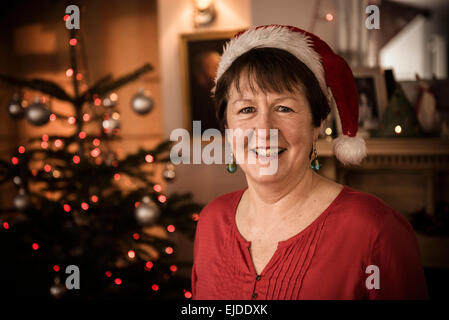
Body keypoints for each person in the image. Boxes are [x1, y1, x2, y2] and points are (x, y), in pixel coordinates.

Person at [191, 25, 428, 300]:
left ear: (317, 124)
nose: (264, 128)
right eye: (246, 109)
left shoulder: (375, 229)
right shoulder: (211, 220)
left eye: (284, 108)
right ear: (228, 128)